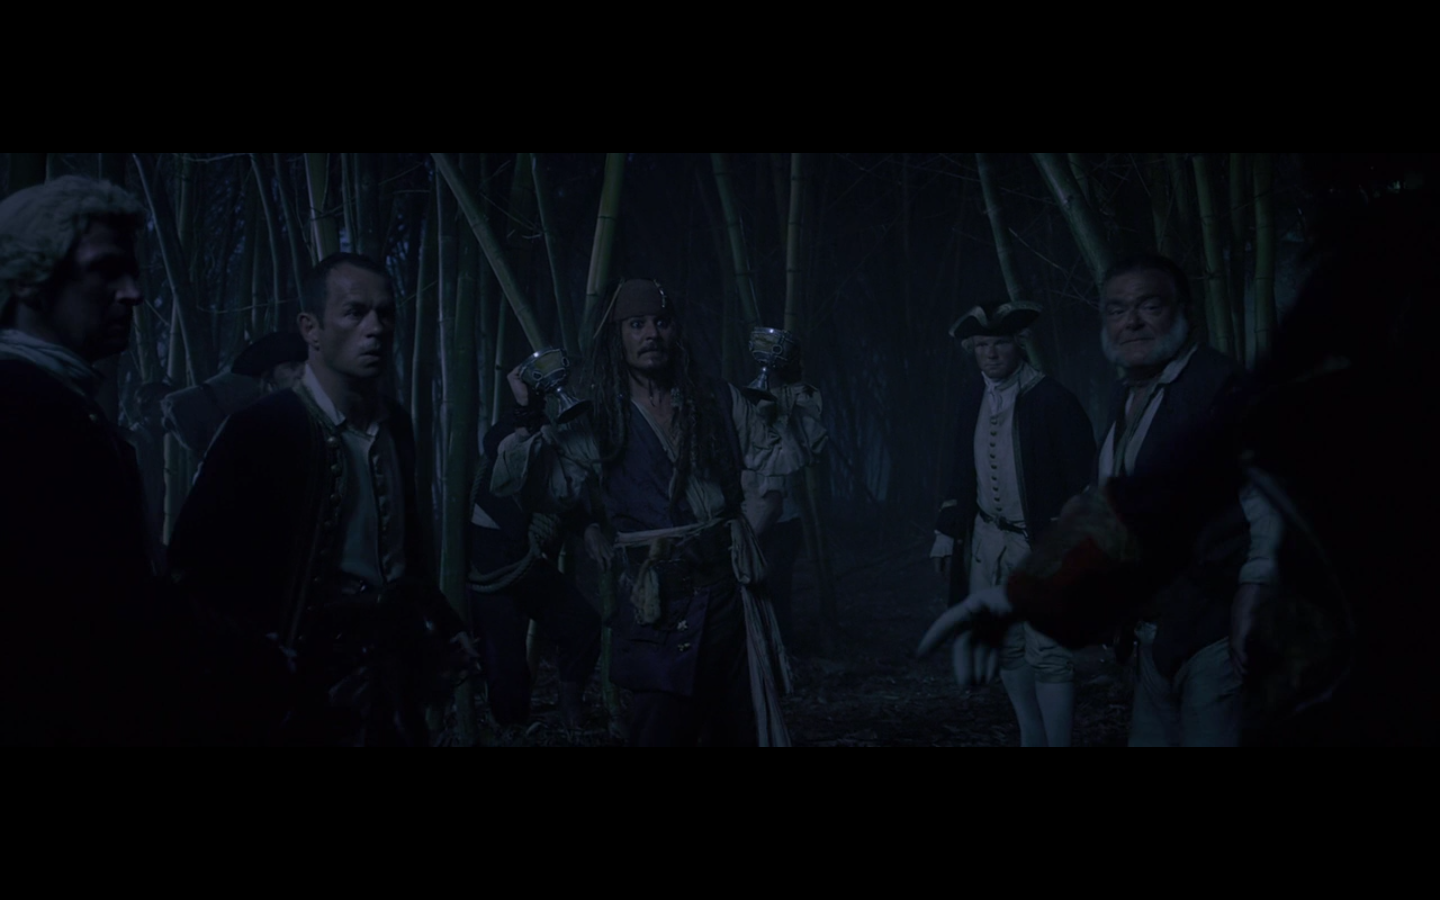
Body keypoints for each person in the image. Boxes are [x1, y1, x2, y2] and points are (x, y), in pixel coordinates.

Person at [922, 254, 1284, 748]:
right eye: (1117, 310)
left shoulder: (1217, 387)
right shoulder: (1128, 395)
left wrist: (1255, 590)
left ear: (1184, 311)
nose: (1131, 322)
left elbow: (1271, 499)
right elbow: (1104, 500)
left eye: (1149, 306)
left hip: (1211, 628)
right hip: (1153, 633)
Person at [490, 278, 826, 747]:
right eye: (637, 324)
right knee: (659, 728)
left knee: (736, 728)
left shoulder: (720, 399)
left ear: (676, 332)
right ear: (617, 336)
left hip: (727, 598)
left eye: (662, 322)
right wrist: (527, 414)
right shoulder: (598, 416)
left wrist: (787, 377)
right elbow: (537, 486)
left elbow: (782, 453)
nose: (651, 333)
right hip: (655, 603)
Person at [168, 252, 464, 746]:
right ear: (311, 328)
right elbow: (194, 571)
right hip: (293, 686)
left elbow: (407, 551)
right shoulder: (260, 429)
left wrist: (442, 625)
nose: (376, 329)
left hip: (387, 678)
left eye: (386, 314)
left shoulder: (397, 426)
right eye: (355, 312)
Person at [0, 175, 193, 744]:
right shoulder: (20, 413)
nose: (133, 294)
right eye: (106, 270)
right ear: (29, 281)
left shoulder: (64, 406)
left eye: (132, 273)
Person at [930, 299, 1094, 747]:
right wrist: (946, 530)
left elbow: (1085, 481)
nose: (991, 354)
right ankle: (1031, 736)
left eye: (1000, 343)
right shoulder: (971, 397)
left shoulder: (1053, 399)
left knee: (1050, 651)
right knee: (1004, 644)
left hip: (1041, 544)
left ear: (1018, 343)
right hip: (987, 540)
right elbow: (960, 470)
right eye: (982, 345)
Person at [467, 413, 603, 730]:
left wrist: (588, 527)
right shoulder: (511, 438)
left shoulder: (560, 453)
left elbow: (559, 493)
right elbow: (495, 442)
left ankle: (570, 706)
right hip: (486, 568)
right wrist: (523, 426)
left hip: (527, 563)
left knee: (582, 624)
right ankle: (511, 731)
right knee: (506, 666)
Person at [161, 329, 308, 458]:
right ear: (269, 375)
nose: (300, 373)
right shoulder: (251, 402)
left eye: (305, 368)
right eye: (292, 367)